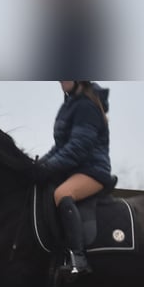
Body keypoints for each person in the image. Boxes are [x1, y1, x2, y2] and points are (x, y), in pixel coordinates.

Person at [36, 80, 113, 276]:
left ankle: (78, 258)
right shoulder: (70, 105)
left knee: (62, 193)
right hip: (74, 169)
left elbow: (78, 147)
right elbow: (60, 146)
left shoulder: (86, 107)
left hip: (92, 170)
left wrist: (48, 167)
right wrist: (37, 166)